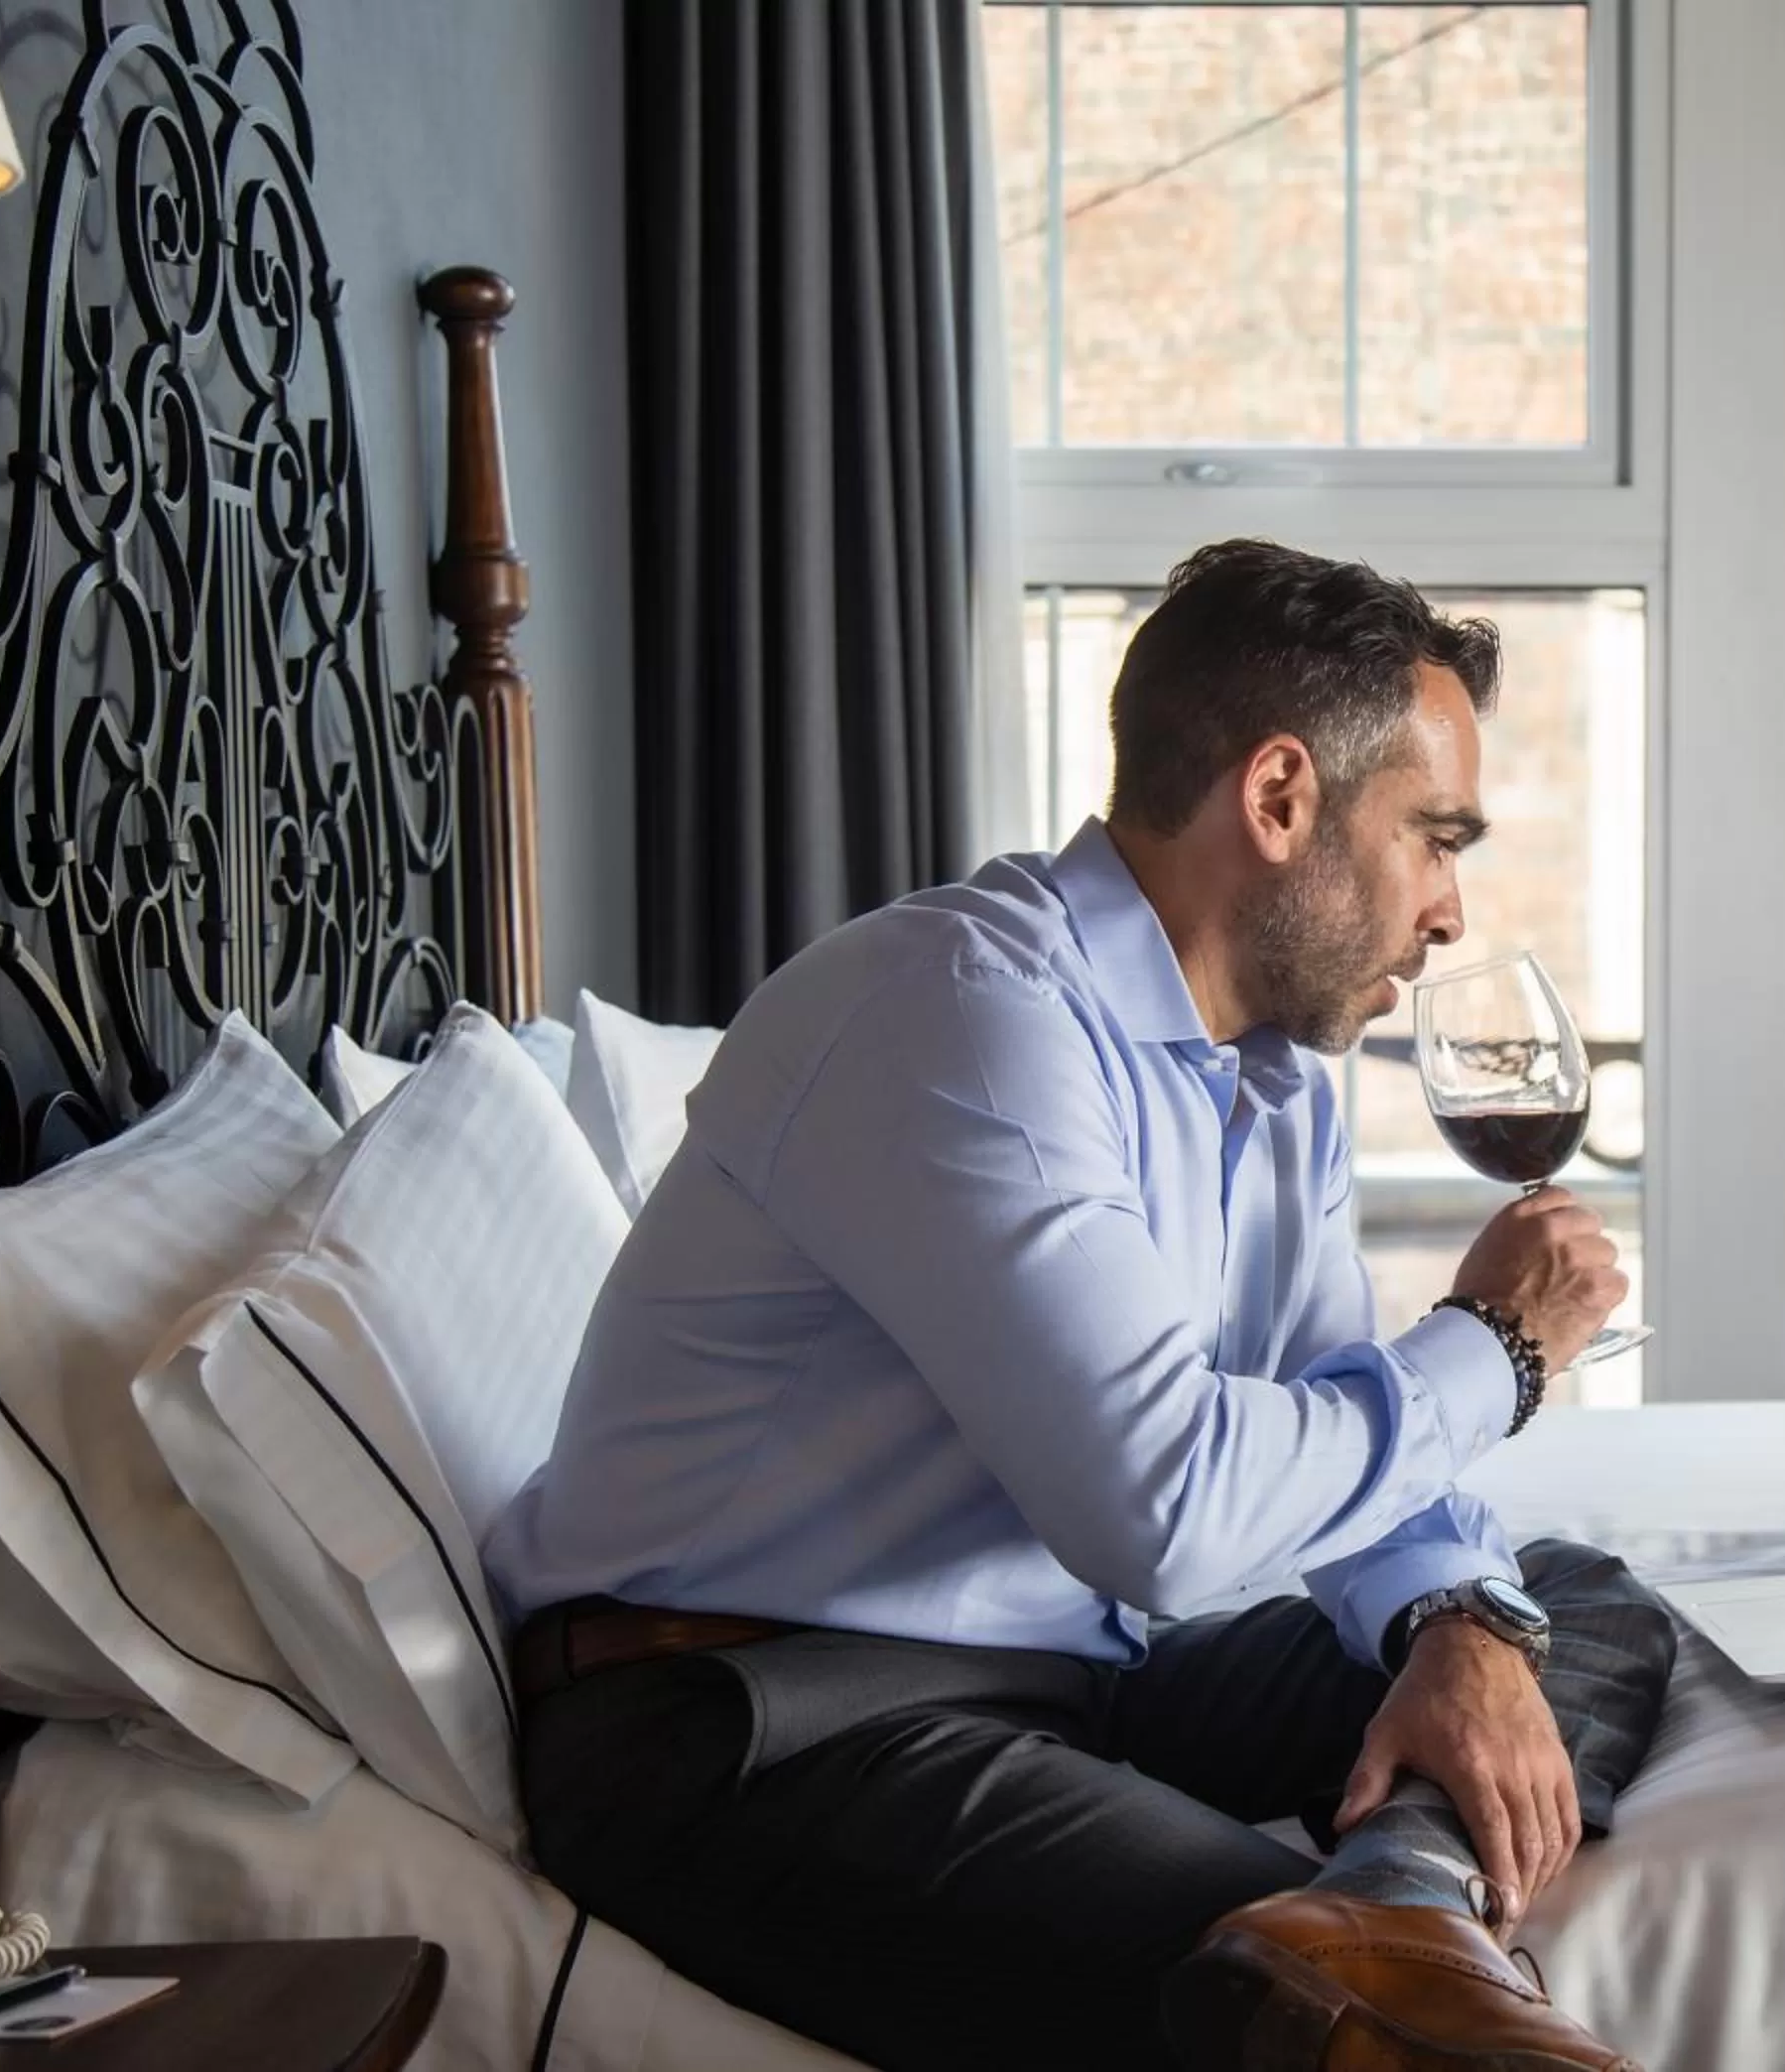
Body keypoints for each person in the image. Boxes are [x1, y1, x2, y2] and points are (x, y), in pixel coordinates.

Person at [484, 539, 1677, 2071]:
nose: (1450, 912)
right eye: (1435, 839)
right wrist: (1498, 1350)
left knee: (1564, 1607)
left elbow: (1333, 1418)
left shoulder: (1273, 1073)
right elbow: (1168, 1514)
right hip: (753, 1712)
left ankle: (1399, 1900)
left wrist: (1450, 1622)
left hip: (1071, 1675)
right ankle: (1377, 1943)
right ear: (1279, 799)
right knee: (1298, 2023)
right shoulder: (960, 1013)